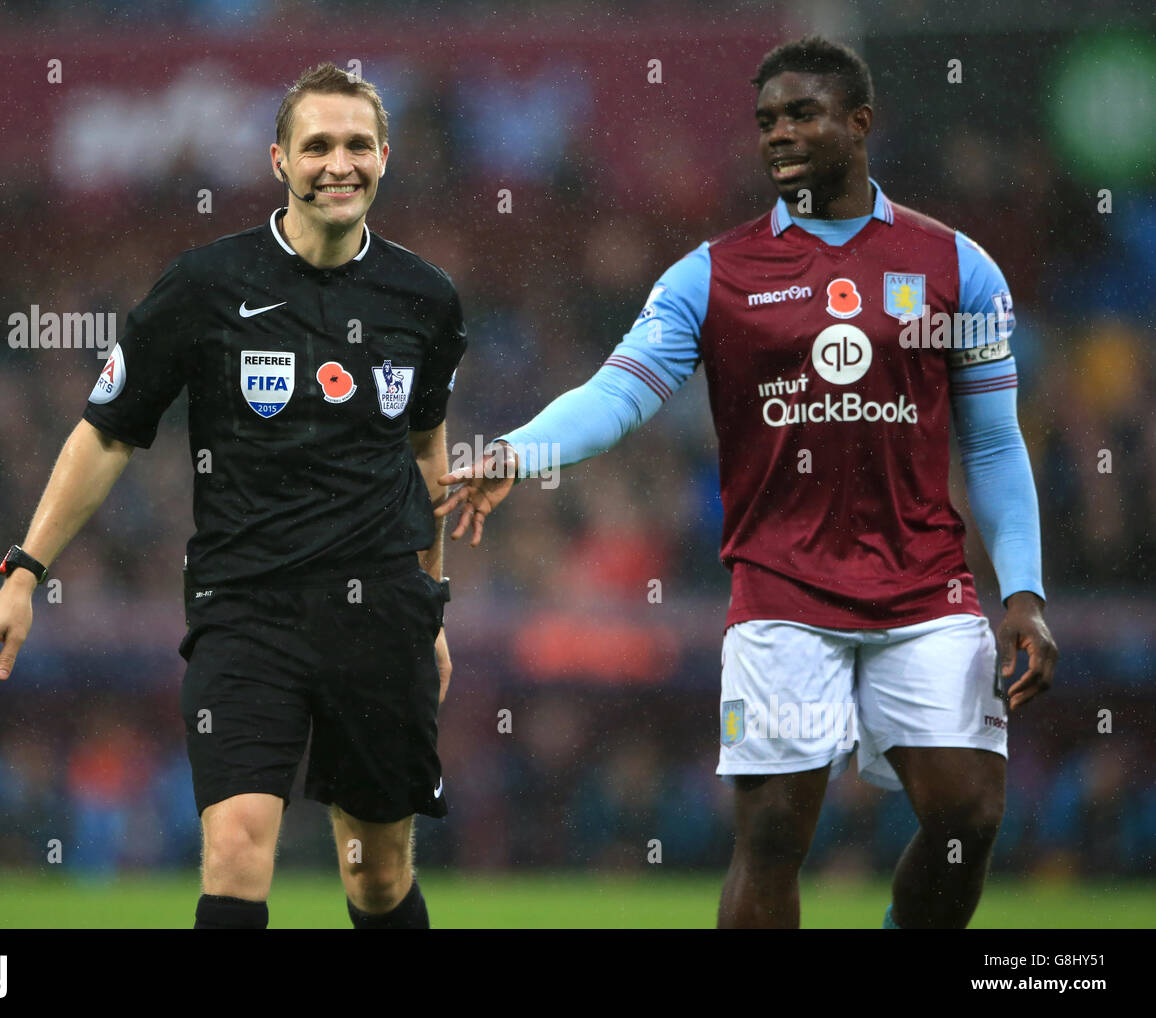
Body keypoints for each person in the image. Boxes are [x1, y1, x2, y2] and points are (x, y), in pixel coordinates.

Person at [438, 36, 1057, 929]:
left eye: (802, 114)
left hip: (925, 585)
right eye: (767, 120)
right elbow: (620, 392)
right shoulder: (712, 275)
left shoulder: (959, 268)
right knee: (771, 834)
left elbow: (995, 447)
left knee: (970, 814)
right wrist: (516, 452)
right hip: (780, 588)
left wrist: (1026, 590)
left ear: (859, 123)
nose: (779, 134)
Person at [0, 63, 466, 930]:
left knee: (378, 876)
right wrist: (23, 570)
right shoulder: (206, 286)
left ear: (386, 155)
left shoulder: (424, 299)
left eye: (357, 144)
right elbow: (106, 431)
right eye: (317, 145)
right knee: (237, 852)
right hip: (246, 612)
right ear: (279, 160)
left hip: (381, 615)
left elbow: (425, 452)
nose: (337, 163)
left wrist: (432, 604)